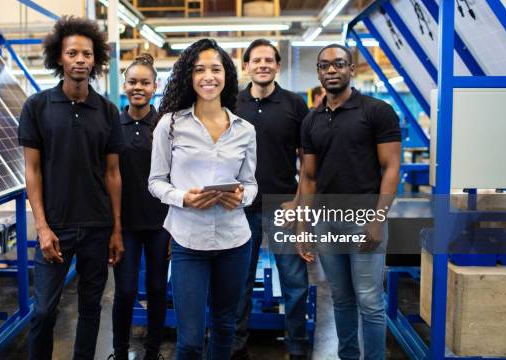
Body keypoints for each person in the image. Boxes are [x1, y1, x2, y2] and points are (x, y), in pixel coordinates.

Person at [18, 16, 124, 360]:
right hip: (56, 227)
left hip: (97, 225)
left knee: (91, 309)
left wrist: (116, 229)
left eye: (87, 54)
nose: (81, 60)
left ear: (96, 60)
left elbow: (112, 173)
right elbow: (31, 170)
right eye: (73, 53)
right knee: (44, 311)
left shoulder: (107, 111)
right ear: (59, 58)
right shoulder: (37, 107)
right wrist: (42, 227)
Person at [148, 38, 258, 360]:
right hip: (188, 242)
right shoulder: (169, 125)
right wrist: (183, 198)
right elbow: (155, 182)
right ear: (189, 77)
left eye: (215, 69)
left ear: (227, 75)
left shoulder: (245, 130)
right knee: (191, 338)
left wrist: (240, 197)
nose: (208, 76)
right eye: (199, 70)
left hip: (235, 242)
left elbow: (251, 184)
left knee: (225, 328)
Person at [296, 44, 401, 360]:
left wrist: (377, 219)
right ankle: (348, 356)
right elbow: (309, 177)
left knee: (369, 300)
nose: (331, 70)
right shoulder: (311, 120)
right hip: (327, 221)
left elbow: (392, 167)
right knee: (340, 297)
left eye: (338, 64)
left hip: (363, 217)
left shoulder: (376, 111)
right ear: (318, 72)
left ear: (351, 69)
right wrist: (304, 227)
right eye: (324, 65)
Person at [232, 39, 311, 360]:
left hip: (284, 205)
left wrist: (300, 202)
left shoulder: (294, 105)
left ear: (278, 66)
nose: (263, 65)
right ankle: (236, 345)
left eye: (269, 60)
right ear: (246, 66)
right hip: (240, 206)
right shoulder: (231, 103)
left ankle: (296, 345)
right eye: (256, 60)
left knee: (295, 281)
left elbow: (308, 160)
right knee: (239, 282)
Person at [109, 54, 169, 360]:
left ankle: (152, 352)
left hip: (160, 224)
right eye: (132, 81)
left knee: (158, 289)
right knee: (126, 291)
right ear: (124, 85)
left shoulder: (165, 126)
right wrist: (113, 226)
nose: (138, 87)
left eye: (145, 82)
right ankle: (119, 352)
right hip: (125, 225)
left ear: (155, 86)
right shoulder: (112, 125)